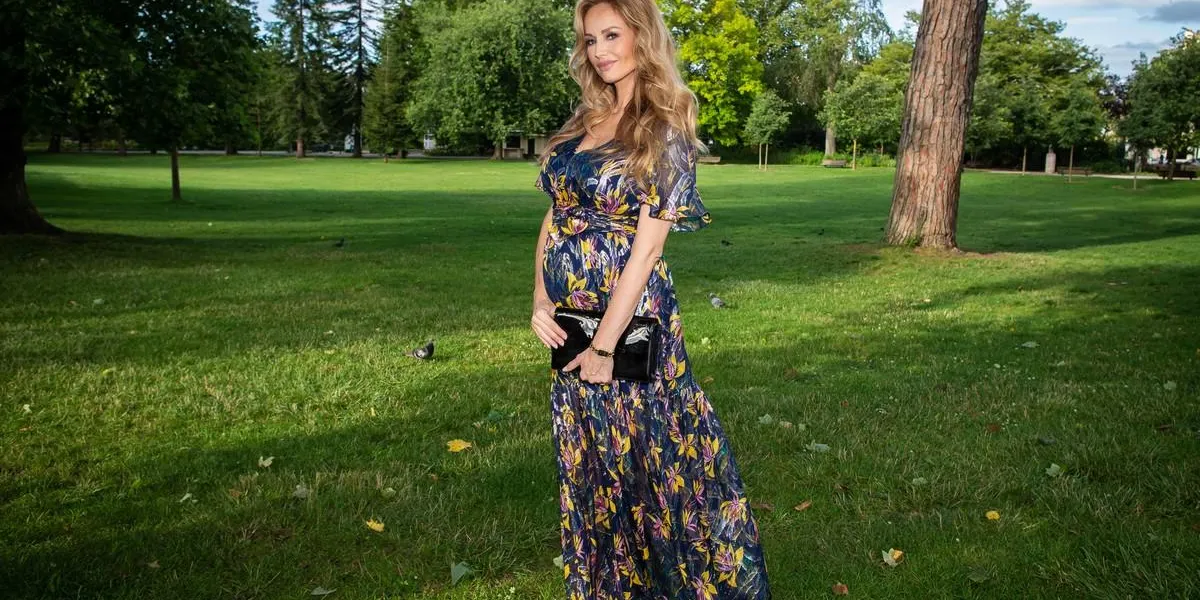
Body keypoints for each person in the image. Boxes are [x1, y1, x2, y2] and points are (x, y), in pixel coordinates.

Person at [529, 1, 771, 598]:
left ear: (642, 35)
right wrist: (539, 298)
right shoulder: (586, 118)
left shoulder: (665, 125)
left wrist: (607, 345)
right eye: (590, 40)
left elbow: (646, 250)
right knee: (595, 461)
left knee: (653, 462)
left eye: (612, 35)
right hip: (572, 321)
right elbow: (555, 215)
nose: (600, 50)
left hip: (631, 323)